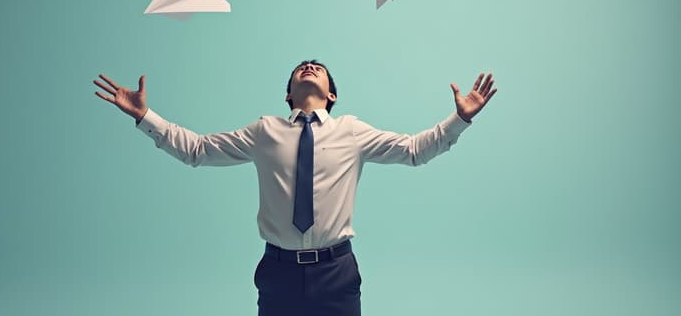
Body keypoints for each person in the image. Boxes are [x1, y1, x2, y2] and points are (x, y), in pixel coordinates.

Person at [94, 60, 496, 316]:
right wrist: (145, 116)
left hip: (336, 272)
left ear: (331, 94)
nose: (308, 66)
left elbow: (413, 150)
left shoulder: (351, 131)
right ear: (289, 92)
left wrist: (458, 120)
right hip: (278, 271)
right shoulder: (264, 131)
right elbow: (198, 149)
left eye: (317, 67)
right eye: (301, 67)